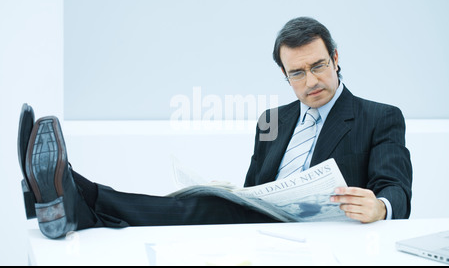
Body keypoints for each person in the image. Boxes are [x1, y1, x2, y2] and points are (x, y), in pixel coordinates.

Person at [17, 17, 412, 239]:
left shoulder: (380, 117)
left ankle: (70, 193)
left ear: (336, 58)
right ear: (284, 75)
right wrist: (232, 193)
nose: (310, 81)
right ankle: (69, 197)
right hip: (263, 228)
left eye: (318, 66)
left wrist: (381, 206)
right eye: (297, 73)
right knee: (197, 200)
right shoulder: (272, 120)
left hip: (324, 234)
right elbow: (256, 189)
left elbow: (398, 189)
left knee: (197, 207)